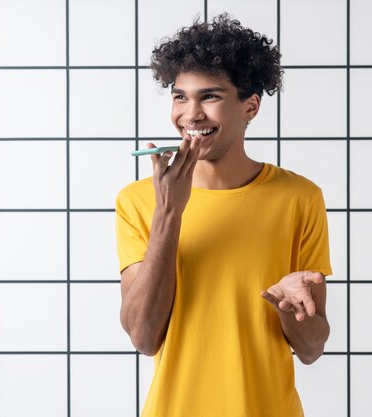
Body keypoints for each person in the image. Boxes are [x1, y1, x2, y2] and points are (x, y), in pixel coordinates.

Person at [115, 13, 332, 417]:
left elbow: (312, 348)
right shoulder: (139, 201)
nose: (190, 114)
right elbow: (144, 337)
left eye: (209, 97)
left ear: (250, 106)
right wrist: (169, 213)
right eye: (180, 96)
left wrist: (291, 310)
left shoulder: (300, 197)